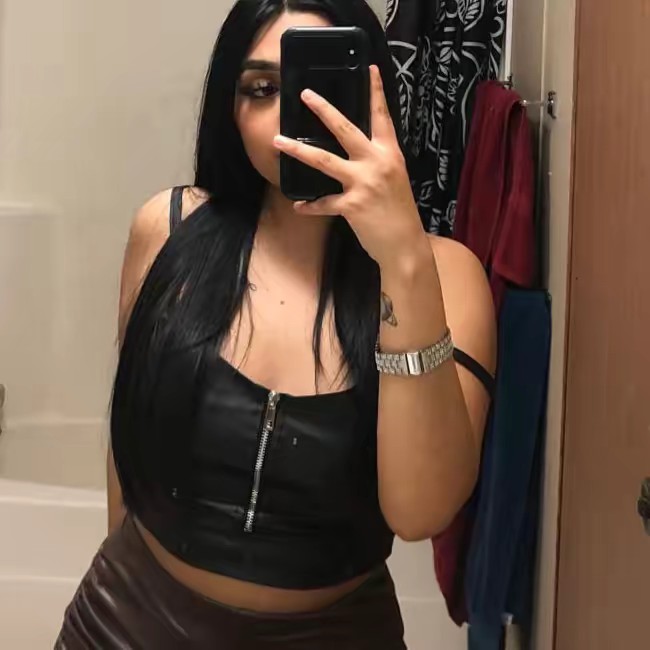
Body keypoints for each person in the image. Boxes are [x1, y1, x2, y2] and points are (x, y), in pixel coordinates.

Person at [55, 0, 496, 648]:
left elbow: (420, 510)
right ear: (230, 108)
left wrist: (403, 260)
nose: (294, 116)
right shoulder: (167, 229)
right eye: (262, 89)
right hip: (126, 622)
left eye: (322, 89)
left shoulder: (445, 276)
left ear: (374, 99)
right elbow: (131, 447)